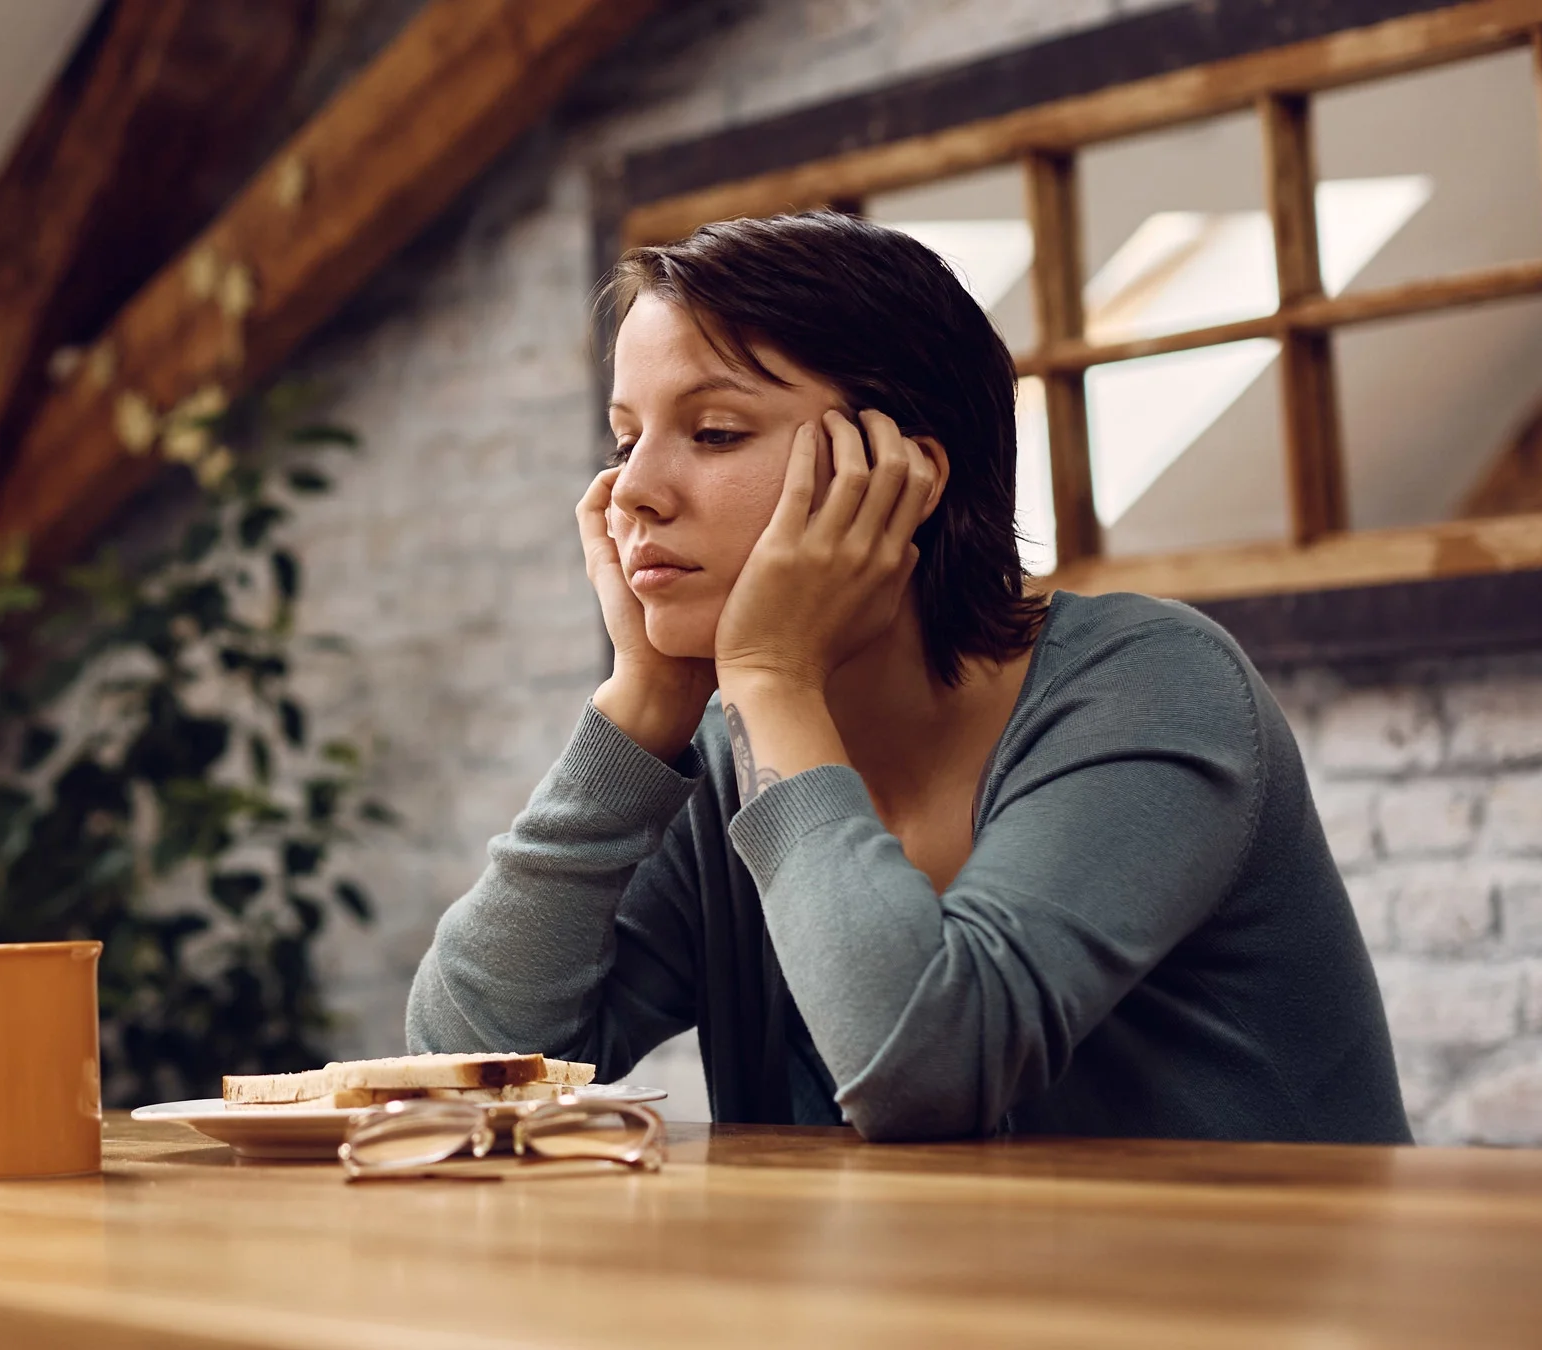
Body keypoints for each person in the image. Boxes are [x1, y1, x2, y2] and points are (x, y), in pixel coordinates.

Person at [405, 211, 1411, 1143]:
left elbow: (924, 1067)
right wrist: (638, 711)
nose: (633, 491)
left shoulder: (1155, 686)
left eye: (713, 432)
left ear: (904, 475)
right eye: (627, 440)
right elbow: (466, 1061)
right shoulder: (724, 749)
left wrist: (769, 676)